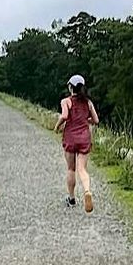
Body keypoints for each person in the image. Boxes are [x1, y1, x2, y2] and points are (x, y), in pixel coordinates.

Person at [54, 73, 99, 213]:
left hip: (70, 137)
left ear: (70, 87)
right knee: (82, 169)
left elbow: (65, 115)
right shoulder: (88, 102)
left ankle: (72, 198)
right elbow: (96, 120)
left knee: (71, 169)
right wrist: (86, 121)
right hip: (84, 137)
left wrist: (57, 126)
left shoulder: (66, 101)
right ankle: (87, 191)